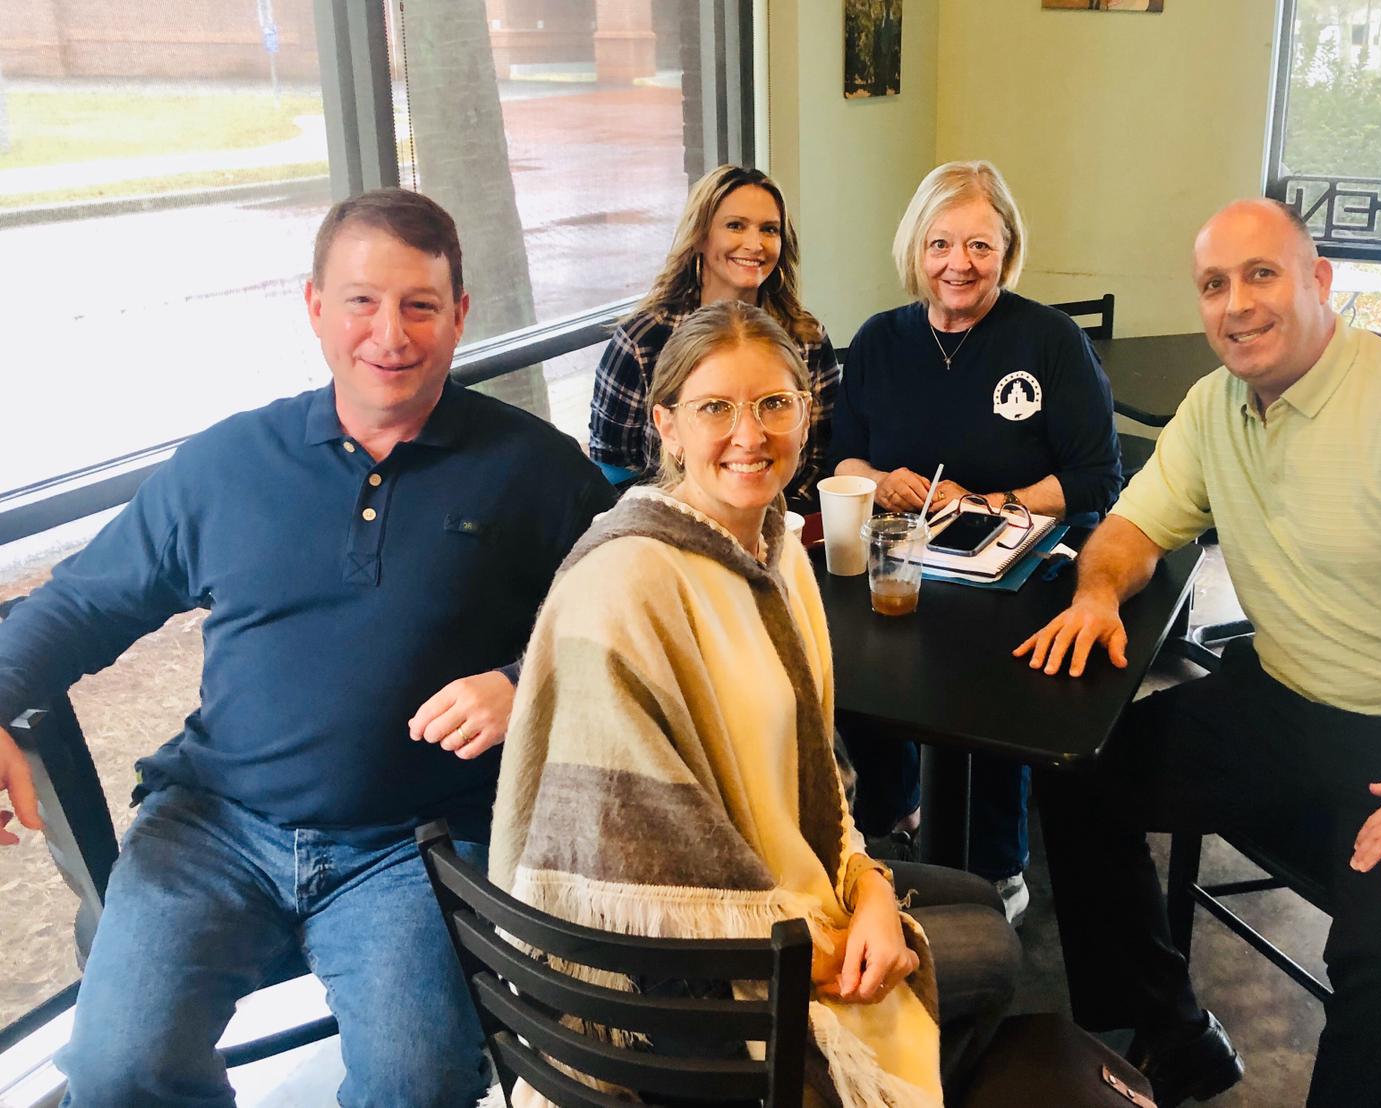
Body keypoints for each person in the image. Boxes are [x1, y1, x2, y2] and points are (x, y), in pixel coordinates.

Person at [0, 188, 616, 1107]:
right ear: (315, 307)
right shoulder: (226, 465)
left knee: (421, 1085)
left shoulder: (534, 470)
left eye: (419, 304)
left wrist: (528, 680)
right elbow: (81, 607)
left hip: (413, 843)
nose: (390, 333)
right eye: (362, 301)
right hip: (214, 826)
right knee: (116, 1070)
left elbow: (633, 626)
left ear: (459, 315)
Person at [1015, 198, 1381, 1108]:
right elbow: (1132, 526)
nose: (1237, 305)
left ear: (1318, 282)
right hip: (1283, 702)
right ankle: (1170, 1030)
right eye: (1214, 285)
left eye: (1261, 275)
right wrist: (1099, 593)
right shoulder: (1215, 405)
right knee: (1076, 770)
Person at [493, 300, 1021, 1105]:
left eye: (775, 403)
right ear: (666, 425)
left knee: (983, 896)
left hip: (778, 883)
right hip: (686, 975)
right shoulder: (625, 583)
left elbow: (811, 771)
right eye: (716, 408)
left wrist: (870, 887)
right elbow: (639, 868)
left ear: (807, 415)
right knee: (992, 947)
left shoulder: (777, 549)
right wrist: (822, 940)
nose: (751, 434)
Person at [829, 160, 1122, 920]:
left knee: (994, 687)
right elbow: (845, 458)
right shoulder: (878, 341)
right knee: (859, 659)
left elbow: (1094, 478)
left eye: (980, 247)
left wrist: (984, 502)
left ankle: (995, 864)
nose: (959, 264)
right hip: (906, 558)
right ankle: (893, 816)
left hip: (1019, 565)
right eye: (941, 244)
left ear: (1008, 251)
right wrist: (883, 475)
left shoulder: (1050, 340)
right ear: (915, 250)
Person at [587, 164, 839, 508]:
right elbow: (610, 470)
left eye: (769, 229)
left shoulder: (806, 337)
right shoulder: (642, 341)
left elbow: (820, 457)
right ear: (701, 236)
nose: (755, 244)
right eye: (735, 226)